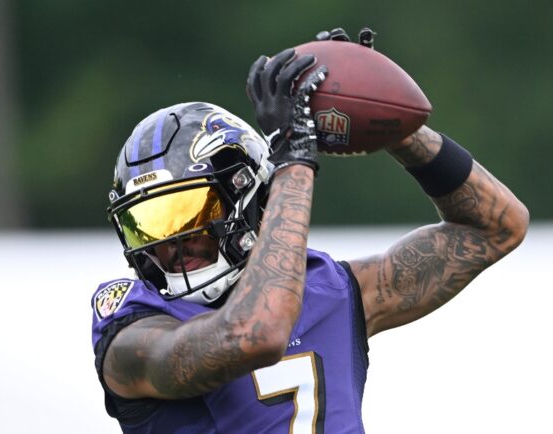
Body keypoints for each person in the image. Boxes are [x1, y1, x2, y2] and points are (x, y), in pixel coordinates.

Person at [91, 28, 529, 433]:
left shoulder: (331, 289)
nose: (168, 243)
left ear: (249, 193)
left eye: (188, 212)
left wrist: (388, 122)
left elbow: (496, 227)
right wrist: (294, 156)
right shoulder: (133, 328)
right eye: (146, 224)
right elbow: (254, 335)